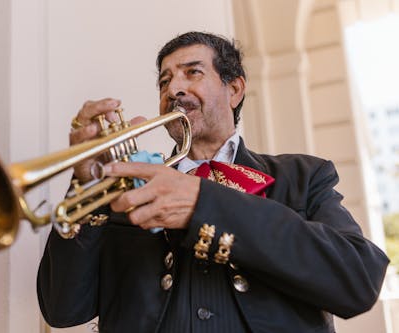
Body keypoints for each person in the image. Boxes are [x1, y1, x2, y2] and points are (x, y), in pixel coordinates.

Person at [37, 31, 389, 333]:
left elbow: (357, 280)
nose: (174, 88)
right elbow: (62, 309)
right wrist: (84, 186)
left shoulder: (304, 176)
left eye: (192, 73)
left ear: (234, 89)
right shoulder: (127, 192)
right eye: (164, 81)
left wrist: (203, 203)